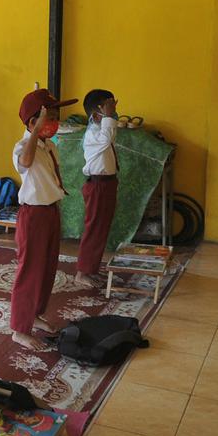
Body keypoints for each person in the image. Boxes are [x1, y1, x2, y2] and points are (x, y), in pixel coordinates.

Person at [12, 89, 78, 349]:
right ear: (32, 122)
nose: (54, 122)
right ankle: (20, 327)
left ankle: (35, 313)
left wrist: (41, 133)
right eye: (48, 117)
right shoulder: (22, 146)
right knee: (29, 271)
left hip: (51, 210)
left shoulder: (48, 145)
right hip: (34, 214)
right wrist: (35, 132)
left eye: (54, 116)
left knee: (47, 268)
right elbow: (25, 162)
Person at [78, 88, 120, 288]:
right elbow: (107, 139)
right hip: (97, 186)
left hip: (108, 183)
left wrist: (109, 114)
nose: (113, 112)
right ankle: (83, 272)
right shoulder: (92, 135)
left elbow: (109, 134)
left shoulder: (101, 130)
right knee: (94, 228)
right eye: (108, 108)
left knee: (102, 229)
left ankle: (92, 269)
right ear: (96, 115)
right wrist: (109, 116)